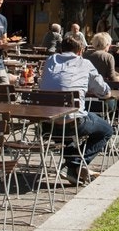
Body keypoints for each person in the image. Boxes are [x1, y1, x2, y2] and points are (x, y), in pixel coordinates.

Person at [38, 37, 113, 180]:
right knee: (107, 130)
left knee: (71, 131)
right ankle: (73, 163)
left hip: (47, 125)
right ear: (80, 51)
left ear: (61, 49)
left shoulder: (50, 61)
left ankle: (72, 170)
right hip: (73, 123)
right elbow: (104, 91)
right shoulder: (84, 63)